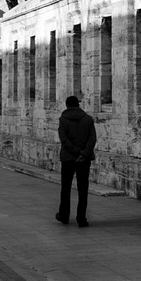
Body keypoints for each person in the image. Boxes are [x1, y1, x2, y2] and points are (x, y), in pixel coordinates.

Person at [56, 95, 97, 227]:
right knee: (83, 189)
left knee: (66, 188)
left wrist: (75, 152)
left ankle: (64, 215)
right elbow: (92, 139)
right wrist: (83, 153)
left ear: (67, 105)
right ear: (78, 105)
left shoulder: (63, 120)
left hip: (68, 158)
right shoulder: (88, 119)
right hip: (83, 159)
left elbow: (64, 139)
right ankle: (81, 218)